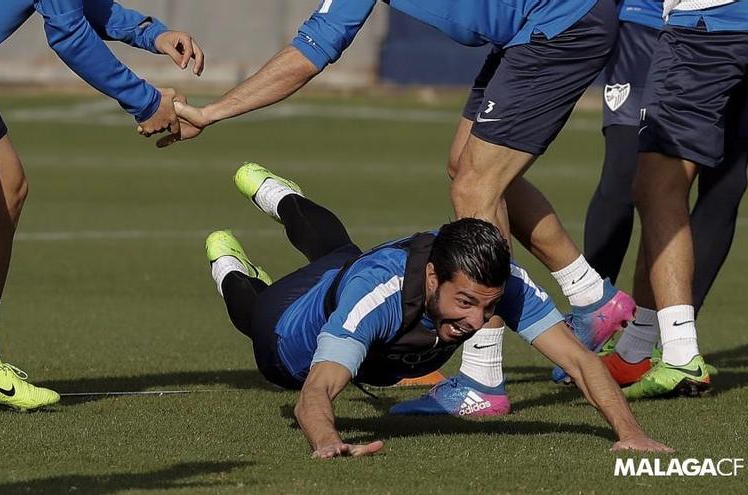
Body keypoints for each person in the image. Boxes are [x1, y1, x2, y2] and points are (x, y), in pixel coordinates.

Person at [166, 0, 634, 404]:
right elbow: (312, 48)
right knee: (468, 168)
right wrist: (211, 113)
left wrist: (209, 113)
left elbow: (309, 56)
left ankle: (483, 379)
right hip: (530, 28)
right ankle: (593, 298)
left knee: (474, 186)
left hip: (561, 23)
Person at [0, 0, 204, 424]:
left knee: (6, 190)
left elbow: (74, 5)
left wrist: (147, 32)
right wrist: (144, 100)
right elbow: (67, 33)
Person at [204, 162, 671, 457]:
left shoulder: (495, 281)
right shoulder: (379, 296)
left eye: (486, 308)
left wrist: (628, 433)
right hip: (289, 338)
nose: (474, 322)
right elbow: (316, 392)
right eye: (464, 303)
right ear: (433, 279)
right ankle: (229, 260)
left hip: (349, 278)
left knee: (340, 253)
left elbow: (581, 361)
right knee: (254, 314)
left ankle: (278, 196)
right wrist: (329, 442)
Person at [584, 0, 745, 388]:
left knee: (657, 185)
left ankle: (678, 353)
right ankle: (636, 351)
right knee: (721, 186)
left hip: (709, 23)